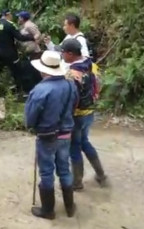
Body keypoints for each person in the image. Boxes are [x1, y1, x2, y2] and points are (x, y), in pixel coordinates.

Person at [25, 50, 78, 220]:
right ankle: (70, 207)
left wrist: (30, 126)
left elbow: (30, 116)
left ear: (43, 70)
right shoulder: (70, 84)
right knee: (64, 169)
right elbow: (75, 104)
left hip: (47, 135)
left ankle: (48, 210)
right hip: (66, 133)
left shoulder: (40, 90)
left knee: (47, 172)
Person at [60, 39, 107, 190]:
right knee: (85, 142)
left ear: (70, 54)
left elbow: (69, 97)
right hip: (90, 112)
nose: (61, 55)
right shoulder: (92, 65)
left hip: (76, 115)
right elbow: (99, 84)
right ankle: (100, 173)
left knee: (74, 147)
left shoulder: (72, 74)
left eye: (63, 52)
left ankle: (77, 182)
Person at [0, 9, 34, 93]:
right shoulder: (10, 24)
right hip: (10, 54)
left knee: (0, 73)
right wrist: (32, 37)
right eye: (11, 15)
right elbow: (20, 37)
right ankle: (19, 93)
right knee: (17, 73)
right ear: (8, 15)